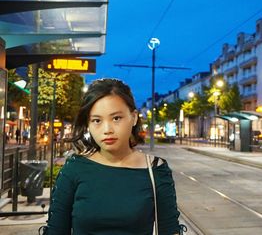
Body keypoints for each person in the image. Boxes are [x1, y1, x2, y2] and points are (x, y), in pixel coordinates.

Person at [45, 78, 183, 234]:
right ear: (88, 124)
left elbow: (170, 230)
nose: (107, 129)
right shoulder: (74, 169)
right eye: (96, 120)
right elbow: (56, 230)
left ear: (134, 117)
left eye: (116, 118)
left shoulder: (156, 170)